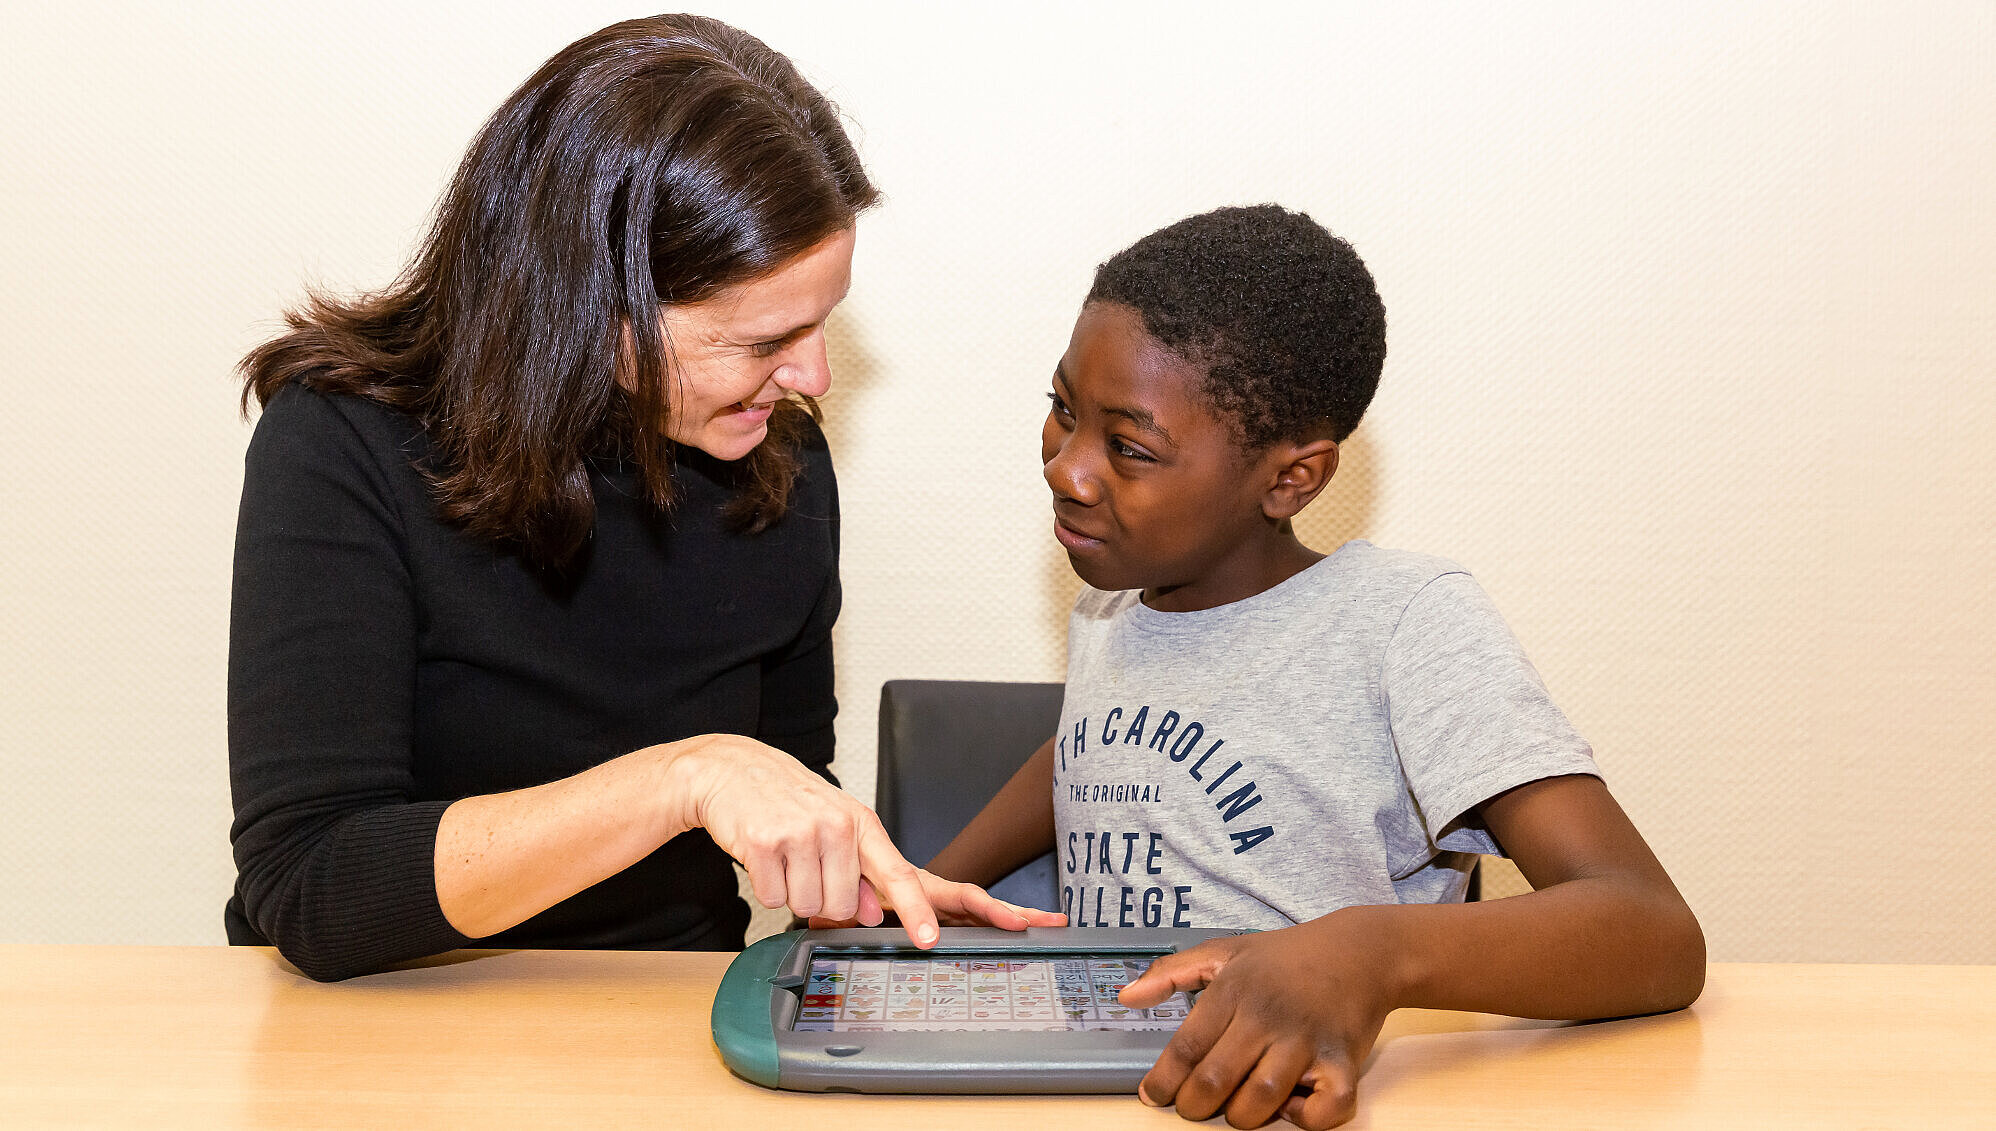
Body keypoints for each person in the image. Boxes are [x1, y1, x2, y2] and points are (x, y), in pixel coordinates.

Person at [228, 14, 1056, 984]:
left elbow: (781, 784)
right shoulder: (343, 443)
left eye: (821, 324)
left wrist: (871, 897)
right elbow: (312, 885)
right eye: (760, 343)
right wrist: (683, 779)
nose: (814, 378)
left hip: (659, 1018)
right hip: (385, 1018)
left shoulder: (778, 467)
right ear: (596, 308)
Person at [929, 205, 1706, 1129]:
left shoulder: (1404, 623)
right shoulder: (1111, 597)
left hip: (1289, 1096)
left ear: (1292, 479)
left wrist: (1369, 954)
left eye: (1129, 447)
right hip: (1110, 1086)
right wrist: (927, 882)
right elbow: (1096, 751)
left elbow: (1653, 930)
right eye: (1063, 409)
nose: (1068, 467)